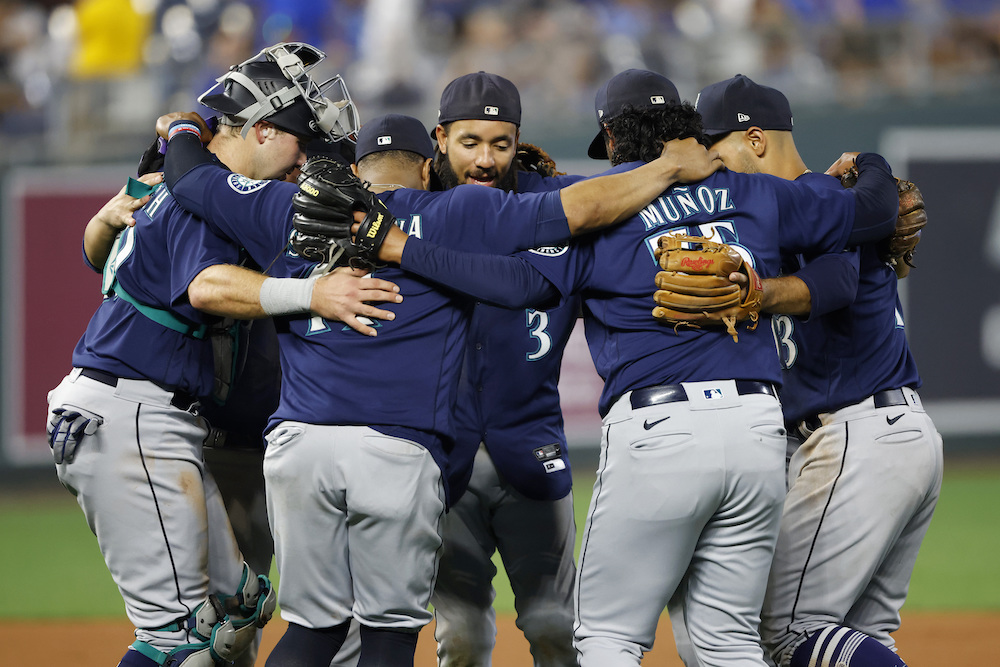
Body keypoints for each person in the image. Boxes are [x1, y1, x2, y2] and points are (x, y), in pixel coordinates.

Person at [366, 69, 900, 667]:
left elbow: (517, 284)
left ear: (614, 140)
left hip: (661, 427)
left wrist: (402, 248)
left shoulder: (599, 210)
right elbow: (872, 218)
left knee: (608, 638)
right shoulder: (753, 192)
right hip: (758, 427)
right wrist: (872, 166)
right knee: (728, 640)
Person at [159, 106, 722, 666]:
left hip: (298, 445)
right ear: (429, 167)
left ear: (355, 172)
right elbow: (576, 212)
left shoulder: (286, 206)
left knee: (312, 632)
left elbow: (193, 179)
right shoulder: (456, 210)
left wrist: (185, 128)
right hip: (395, 446)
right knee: (387, 635)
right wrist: (667, 169)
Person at [47, 41, 394, 667]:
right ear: (261, 130)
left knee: (243, 603)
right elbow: (205, 286)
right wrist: (313, 292)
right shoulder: (204, 194)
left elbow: (109, 262)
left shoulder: (173, 184)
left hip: (142, 414)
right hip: (133, 417)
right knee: (182, 645)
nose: (303, 165)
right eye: (299, 144)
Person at [694, 74, 943, 667]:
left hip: (856, 437)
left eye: (717, 149)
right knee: (859, 639)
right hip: (893, 433)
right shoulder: (821, 203)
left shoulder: (821, 204)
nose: (712, 166)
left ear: (755, 141)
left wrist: (752, 294)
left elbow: (835, 283)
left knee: (785, 632)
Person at [428, 71, 584, 667]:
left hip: (534, 445)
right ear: (440, 138)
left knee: (555, 627)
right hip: (446, 455)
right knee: (461, 638)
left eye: (502, 143)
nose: (487, 159)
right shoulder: (415, 213)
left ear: (520, 141)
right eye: (471, 142)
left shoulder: (554, 213)